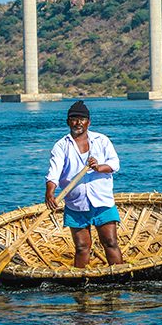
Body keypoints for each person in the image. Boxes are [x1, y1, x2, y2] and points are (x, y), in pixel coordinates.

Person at [44, 100, 123, 268]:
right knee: (81, 247)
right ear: (68, 122)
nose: (78, 122)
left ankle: (120, 279)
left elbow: (115, 164)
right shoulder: (61, 146)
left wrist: (100, 167)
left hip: (102, 201)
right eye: (73, 119)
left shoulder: (101, 140)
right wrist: (50, 191)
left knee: (110, 242)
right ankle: (80, 289)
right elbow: (54, 172)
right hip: (76, 205)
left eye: (82, 119)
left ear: (89, 122)